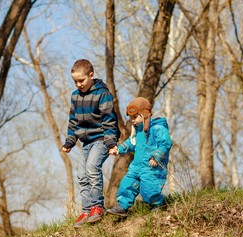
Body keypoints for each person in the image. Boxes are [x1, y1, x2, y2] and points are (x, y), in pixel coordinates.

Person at [62, 59, 119, 228]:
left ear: (91, 75)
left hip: (102, 139)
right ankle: (86, 211)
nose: (78, 84)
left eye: (81, 80)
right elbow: (73, 121)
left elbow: (109, 120)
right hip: (86, 141)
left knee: (92, 168)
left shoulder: (103, 94)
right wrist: (70, 141)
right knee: (82, 175)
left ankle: (97, 207)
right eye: (75, 81)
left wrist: (111, 143)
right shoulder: (75, 97)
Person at [107, 97, 172, 217]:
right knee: (127, 184)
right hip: (136, 166)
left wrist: (156, 157)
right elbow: (131, 143)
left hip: (151, 167)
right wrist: (119, 149)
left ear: (144, 115)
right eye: (131, 118)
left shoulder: (158, 128)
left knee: (149, 190)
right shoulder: (138, 130)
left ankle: (157, 206)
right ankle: (122, 206)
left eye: (135, 117)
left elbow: (166, 143)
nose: (132, 121)